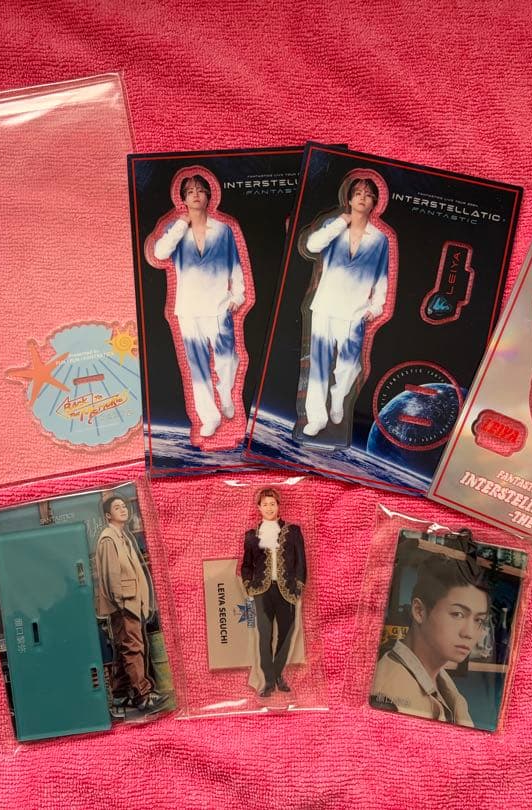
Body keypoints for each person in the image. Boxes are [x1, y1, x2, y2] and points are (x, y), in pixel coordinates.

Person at [151, 173, 247, 438]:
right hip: (188, 310)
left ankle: (225, 394)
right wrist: (181, 223)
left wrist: (237, 296)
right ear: (183, 199)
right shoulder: (177, 230)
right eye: (190, 191)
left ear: (208, 196)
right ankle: (209, 416)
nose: (195, 194)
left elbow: (235, 265)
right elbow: (159, 253)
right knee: (197, 367)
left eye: (200, 190)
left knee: (228, 359)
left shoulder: (223, 230)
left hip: (219, 307)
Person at [299, 176, 391, 436]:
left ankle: (338, 397)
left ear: (374, 203)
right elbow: (311, 245)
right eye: (358, 193)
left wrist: (376, 307)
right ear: (349, 199)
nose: (363, 197)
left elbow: (382, 276)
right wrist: (341, 222)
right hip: (324, 307)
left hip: (354, 312)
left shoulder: (379, 239)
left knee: (350, 366)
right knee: (318, 365)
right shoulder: (334, 227)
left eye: (368, 194)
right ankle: (316, 418)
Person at [369, 550, 488, 726]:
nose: (469, 633)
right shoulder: (387, 694)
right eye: (457, 614)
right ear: (419, 611)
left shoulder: (442, 683)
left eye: (479, 620)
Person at [93, 494, 166, 713]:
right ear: (108, 515)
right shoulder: (109, 539)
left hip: (130, 602)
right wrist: (121, 603)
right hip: (124, 604)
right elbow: (111, 575)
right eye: (117, 507)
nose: (124, 509)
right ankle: (142, 695)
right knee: (133, 648)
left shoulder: (121, 536)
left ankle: (120, 694)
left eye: (124, 506)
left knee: (124, 647)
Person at [240, 488, 307, 697]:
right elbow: (246, 565)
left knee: (287, 634)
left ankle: (277, 674)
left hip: (287, 591)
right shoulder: (251, 536)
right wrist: (248, 585)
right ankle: (269, 682)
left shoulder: (293, 531)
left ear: (278, 506)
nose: (269, 508)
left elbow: (301, 562)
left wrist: (298, 586)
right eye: (265, 504)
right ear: (258, 508)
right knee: (264, 636)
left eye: (272, 504)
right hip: (262, 591)